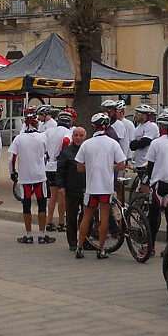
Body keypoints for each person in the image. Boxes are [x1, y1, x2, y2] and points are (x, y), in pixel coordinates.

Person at [75, 113, 127, 259]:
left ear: (93, 127)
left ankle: (79, 248)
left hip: (91, 187)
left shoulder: (87, 144)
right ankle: (101, 249)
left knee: (86, 217)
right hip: (106, 187)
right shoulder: (112, 143)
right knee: (104, 217)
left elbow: (79, 167)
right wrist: (110, 167)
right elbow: (122, 164)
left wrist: (91, 166)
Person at [8, 108, 55, 244]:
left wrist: (12, 173)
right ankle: (42, 234)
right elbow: (47, 153)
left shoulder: (19, 138)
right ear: (36, 123)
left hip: (25, 176)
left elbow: (11, 158)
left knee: (26, 205)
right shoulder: (42, 137)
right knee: (41, 204)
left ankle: (28, 235)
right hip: (40, 176)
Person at [144, 110, 168, 250]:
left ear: (161, 126)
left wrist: (149, 180)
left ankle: (151, 246)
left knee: (154, 216)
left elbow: (150, 164)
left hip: (158, 182)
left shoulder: (156, 143)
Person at [55, 125, 87, 251]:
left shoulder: (88, 150)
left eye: (81, 135)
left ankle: (86, 240)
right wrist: (61, 186)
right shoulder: (66, 152)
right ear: (72, 136)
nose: (78, 138)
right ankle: (72, 242)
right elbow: (60, 171)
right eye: (76, 135)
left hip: (87, 189)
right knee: (71, 217)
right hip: (71, 189)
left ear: (85, 137)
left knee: (87, 217)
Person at [43, 109, 73, 232]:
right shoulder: (68, 132)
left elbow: (43, 144)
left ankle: (49, 221)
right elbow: (66, 141)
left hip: (49, 165)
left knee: (52, 196)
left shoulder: (49, 131)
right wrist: (63, 152)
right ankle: (61, 222)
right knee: (62, 196)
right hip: (60, 166)